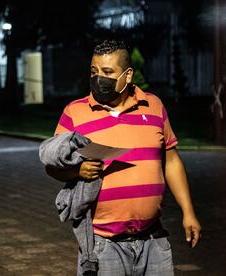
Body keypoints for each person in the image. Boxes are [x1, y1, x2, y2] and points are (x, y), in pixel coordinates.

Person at [53, 40, 201, 275]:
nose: (99, 77)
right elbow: (53, 166)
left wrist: (188, 211)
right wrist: (76, 171)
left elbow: (171, 161)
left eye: (108, 72)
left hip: (154, 240)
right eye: (94, 71)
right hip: (103, 245)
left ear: (128, 75)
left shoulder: (153, 106)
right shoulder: (75, 112)